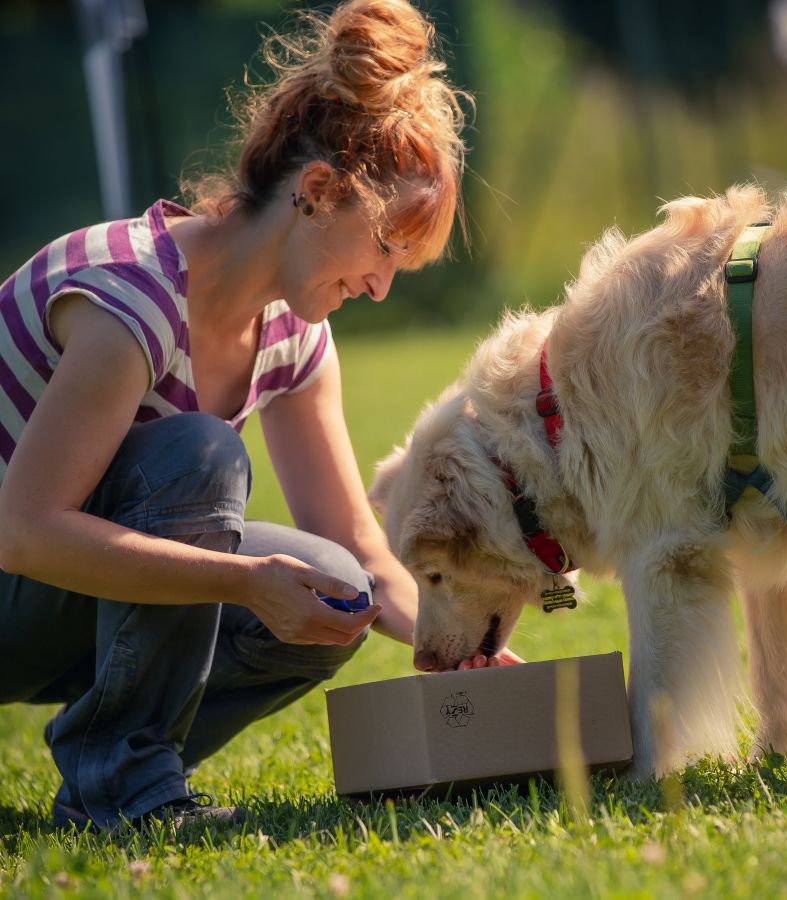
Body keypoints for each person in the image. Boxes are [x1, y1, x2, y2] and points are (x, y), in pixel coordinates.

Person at [0, 0, 515, 833]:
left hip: (55, 606)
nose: (382, 285)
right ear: (314, 192)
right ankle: (123, 787)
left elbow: (362, 553)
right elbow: (24, 532)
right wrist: (246, 583)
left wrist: (458, 653)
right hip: (13, 587)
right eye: (383, 248)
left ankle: (122, 774)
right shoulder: (131, 295)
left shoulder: (294, 336)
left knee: (337, 589)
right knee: (201, 455)